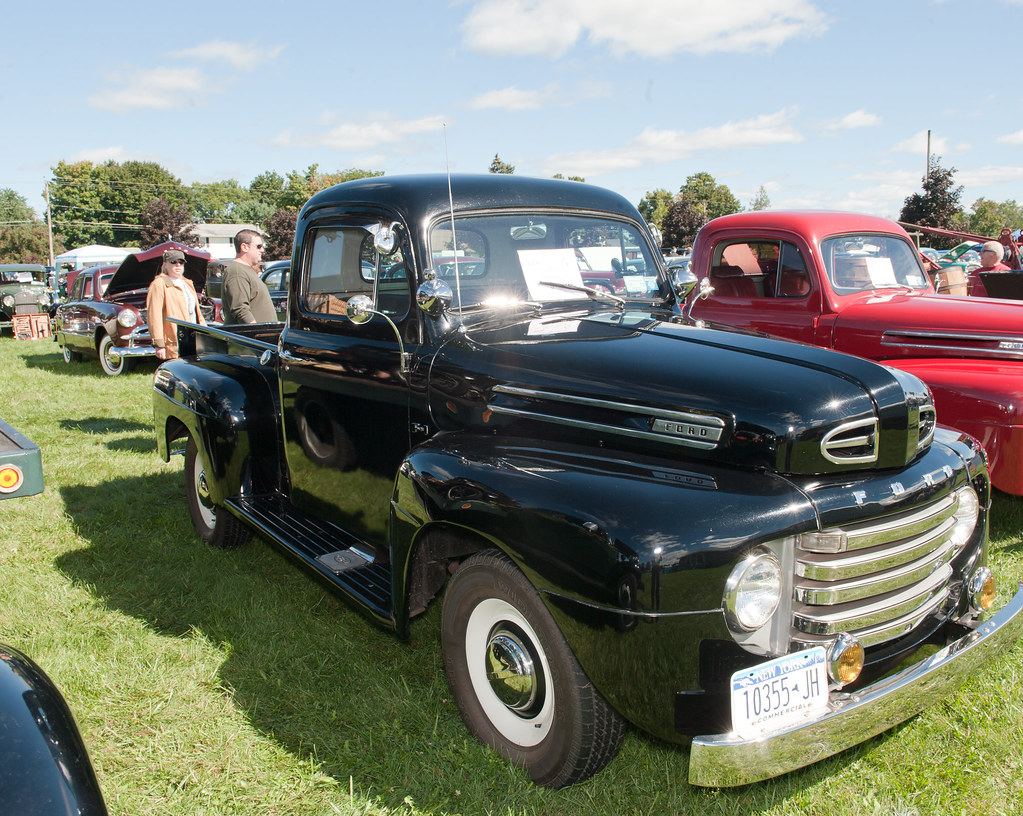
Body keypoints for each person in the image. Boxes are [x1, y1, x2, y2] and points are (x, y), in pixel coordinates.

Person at [146, 249, 207, 361]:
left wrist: (206, 333)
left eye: (181, 262)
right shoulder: (159, 284)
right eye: (173, 262)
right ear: (165, 264)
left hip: (193, 337)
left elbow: (196, 312)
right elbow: (154, 316)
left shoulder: (187, 283)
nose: (178, 265)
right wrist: (159, 344)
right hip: (174, 339)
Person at [221, 229, 277, 323]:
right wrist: (256, 333)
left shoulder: (244, 270)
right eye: (258, 246)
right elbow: (240, 309)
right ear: (244, 247)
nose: (262, 250)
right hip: (252, 336)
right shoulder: (237, 272)